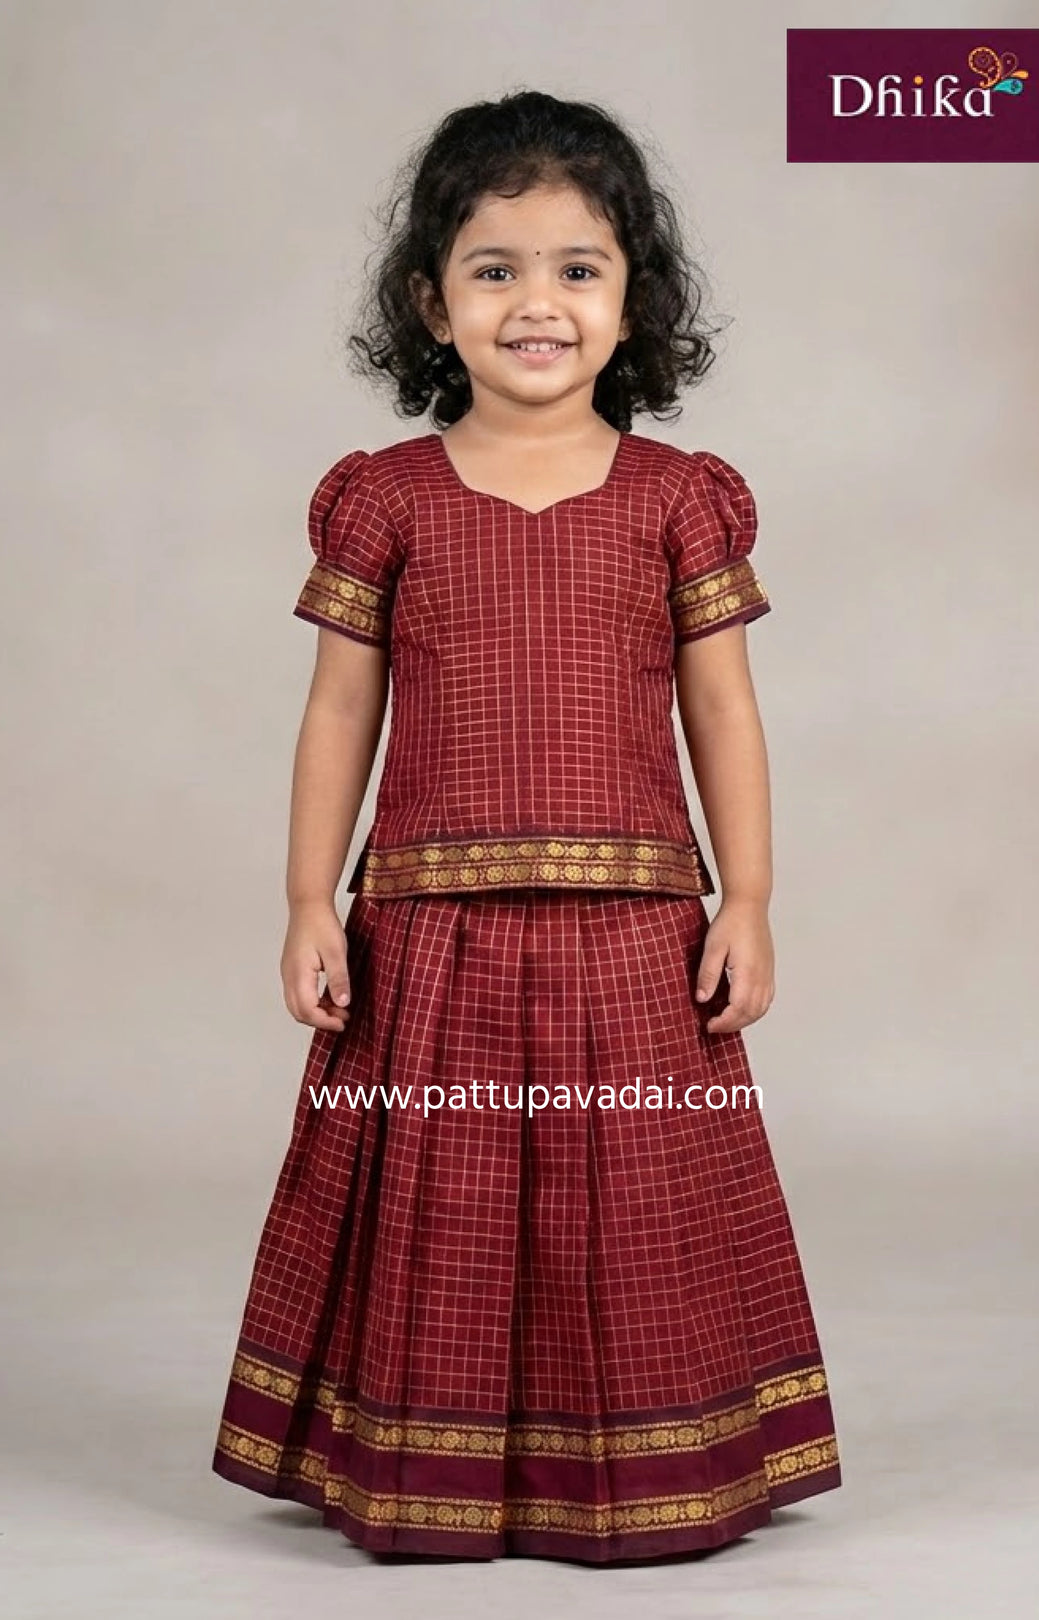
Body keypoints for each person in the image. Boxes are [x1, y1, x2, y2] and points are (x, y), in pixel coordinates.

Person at [210, 87, 842, 1565]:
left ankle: (635, 1482)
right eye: (495, 270)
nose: (536, 304)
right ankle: (432, 1480)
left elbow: (726, 719)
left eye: (577, 269)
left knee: (632, 1203)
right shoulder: (385, 501)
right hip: (428, 930)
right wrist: (312, 902)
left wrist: (745, 900)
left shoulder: (681, 500)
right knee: (446, 1204)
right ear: (433, 303)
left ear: (636, 303)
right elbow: (334, 720)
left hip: (634, 930)